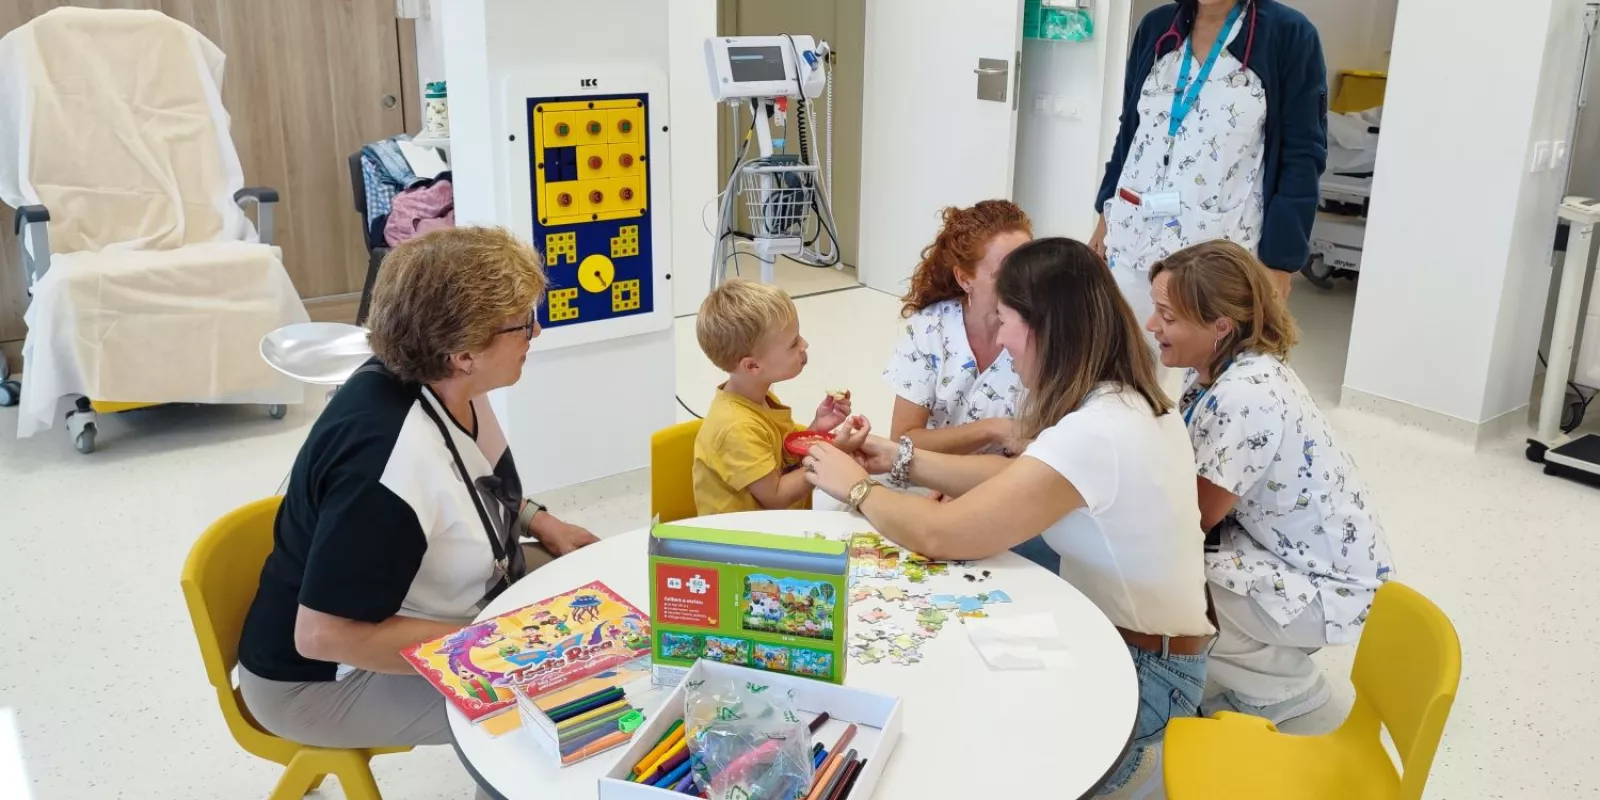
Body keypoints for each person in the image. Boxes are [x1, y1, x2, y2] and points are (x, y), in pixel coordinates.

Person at [805, 238, 1212, 796]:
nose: (1001, 340)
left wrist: (853, 487)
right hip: (1132, 646)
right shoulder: (1124, 403)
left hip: (1147, 680)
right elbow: (1018, 483)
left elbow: (940, 534)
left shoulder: (1099, 431)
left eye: (1006, 322)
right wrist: (899, 459)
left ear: (1044, 326)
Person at [237, 227, 601, 749]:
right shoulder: (384, 464)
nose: (535, 334)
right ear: (463, 352)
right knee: (553, 710)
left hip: (445, 601)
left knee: (594, 591)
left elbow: (472, 484)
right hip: (320, 681)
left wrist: (541, 522)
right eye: (522, 324)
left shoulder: (444, 380)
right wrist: (499, 646)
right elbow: (322, 636)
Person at [1146, 239, 1393, 724]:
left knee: (1167, 575)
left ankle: (1283, 687)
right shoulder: (1229, 368)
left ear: (1219, 326)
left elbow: (1190, 518)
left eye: (1167, 317)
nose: (1152, 326)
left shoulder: (1244, 396)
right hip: (1299, 557)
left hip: (1330, 591)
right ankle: (1263, 661)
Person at [1089, 0, 1328, 332]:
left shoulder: (1289, 35)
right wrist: (1105, 215)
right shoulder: (1156, 28)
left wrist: (1281, 263)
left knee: (1202, 374)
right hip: (1133, 242)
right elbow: (1131, 132)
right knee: (1125, 368)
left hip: (1220, 254)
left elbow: (1302, 157)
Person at [880, 200, 1057, 571]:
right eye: (1005, 272)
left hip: (1012, 487)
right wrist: (995, 429)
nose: (1022, 283)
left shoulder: (1048, 334)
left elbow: (1047, 452)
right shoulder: (930, 329)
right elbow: (904, 440)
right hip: (927, 478)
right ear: (965, 279)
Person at [692, 278, 868, 516]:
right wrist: (834, 453)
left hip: (782, 525)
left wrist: (817, 430)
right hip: (749, 545)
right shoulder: (737, 427)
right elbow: (776, 496)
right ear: (753, 366)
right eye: (793, 343)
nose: (804, 344)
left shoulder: (758, 399)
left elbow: (781, 459)